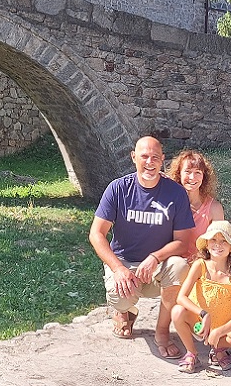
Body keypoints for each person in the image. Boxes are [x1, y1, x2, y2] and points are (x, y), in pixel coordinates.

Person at [89, 136, 195, 357]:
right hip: (125, 264)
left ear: (162, 160)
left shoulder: (175, 193)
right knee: (121, 297)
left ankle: (162, 333)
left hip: (158, 266)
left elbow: (183, 242)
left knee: (179, 266)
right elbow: (96, 234)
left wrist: (155, 257)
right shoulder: (117, 189)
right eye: (144, 156)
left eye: (155, 157)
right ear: (133, 157)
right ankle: (125, 312)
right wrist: (118, 269)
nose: (149, 162)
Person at [172, 220, 231, 373]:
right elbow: (181, 297)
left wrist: (219, 331)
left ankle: (219, 350)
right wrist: (203, 313)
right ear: (207, 244)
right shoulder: (199, 266)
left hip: (222, 328)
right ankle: (192, 353)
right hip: (199, 323)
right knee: (177, 311)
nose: (218, 245)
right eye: (213, 240)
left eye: (223, 241)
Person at [167, 150, 225, 262]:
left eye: (198, 172)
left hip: (200, 267)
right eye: (187, 171)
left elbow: (218, 248)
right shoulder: (168, 203)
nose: (192, 177)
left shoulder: (214, 209)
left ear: (204, 176)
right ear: (179, 174)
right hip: (171, 266)